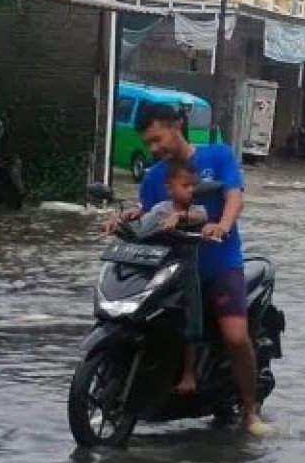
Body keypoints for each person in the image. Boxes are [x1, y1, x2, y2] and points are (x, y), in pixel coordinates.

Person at [106, 103, 273, 437]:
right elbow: (150, 212)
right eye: (148, 144)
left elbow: (233, 197)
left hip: (220, 262)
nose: (154, 149)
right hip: (173, 267)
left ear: (176, 125)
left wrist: (222, 225)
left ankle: (251, 412)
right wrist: (125, 219)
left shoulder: (217, 156)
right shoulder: (155, 176)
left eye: (157, 139)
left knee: (235, 336)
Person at [133, 159, 209, 395]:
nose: (190, 191)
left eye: (193, 187)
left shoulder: (196, 210)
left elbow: (200, 218)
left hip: (185, 274)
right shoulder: (160, 209)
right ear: (169, 188)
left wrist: (181, 218)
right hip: (160, 272)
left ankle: (189, 373)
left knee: (191, 319)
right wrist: (120, 222)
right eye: (185, 186)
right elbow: (142, 227)